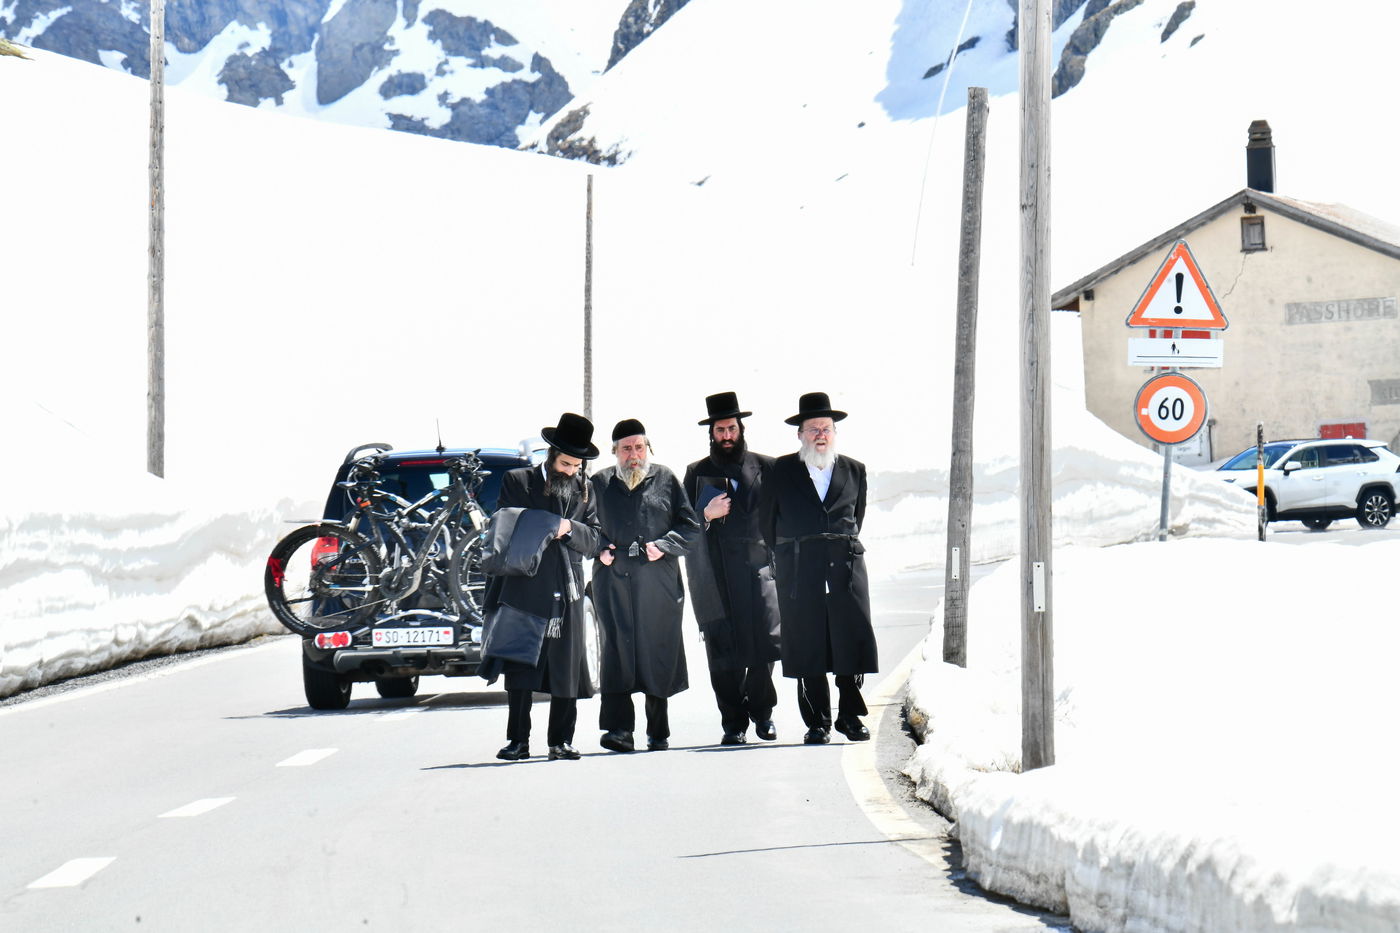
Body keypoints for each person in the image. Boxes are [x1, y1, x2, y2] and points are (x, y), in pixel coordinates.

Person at [482, 412, 602, 762]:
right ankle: (517, 741)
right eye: (565, 463)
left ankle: (560, 741)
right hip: (525, 588)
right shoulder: (518, 481)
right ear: (551, 455)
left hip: (568, 590)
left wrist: (567, 528)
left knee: (566, 668)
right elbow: (507, 523)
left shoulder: (586, 490)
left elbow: (595, 538)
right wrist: (551, 523)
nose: (570, 471)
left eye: (576, 466)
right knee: (521, 667)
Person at [760, 392, 877, 745]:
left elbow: (857, 517)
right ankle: (818, 722)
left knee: (850, 639)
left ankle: (850, 716)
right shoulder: (781, 470)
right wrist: (787, 556)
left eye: (826, 428)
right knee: (807, 642)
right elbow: (768, 523)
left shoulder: (854, 470)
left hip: (845, 565)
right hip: (799, 567)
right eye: (813, 429)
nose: (820, 435)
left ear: (834, 432)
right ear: (800, 434)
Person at [590, 419, 700, 752]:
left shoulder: (665, 478)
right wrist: (599, 548)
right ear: (615, 452)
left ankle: (658, 731)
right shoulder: (598, 483)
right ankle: (618, 730)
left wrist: (663, 546)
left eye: (639, 447)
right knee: (616, 649)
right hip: (613, 576)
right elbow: (586, 525)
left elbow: (690, 527)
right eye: (627, 449)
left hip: (657, 578)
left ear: (647, 448)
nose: (634, 455)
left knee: (656, 647)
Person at [682, 392, 781, 745]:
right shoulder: (697, 472)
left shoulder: (767, 466)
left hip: (758, 572)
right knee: (722, 653)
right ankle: (733, 723)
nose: (726, 435)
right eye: (720, 429)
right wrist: (704, 516)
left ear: (741, 429)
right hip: (716, 573)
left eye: (731, 428)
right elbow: (682, 525)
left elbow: (780, 519)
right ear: (711, 433)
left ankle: (763, 714)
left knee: (763, 646)